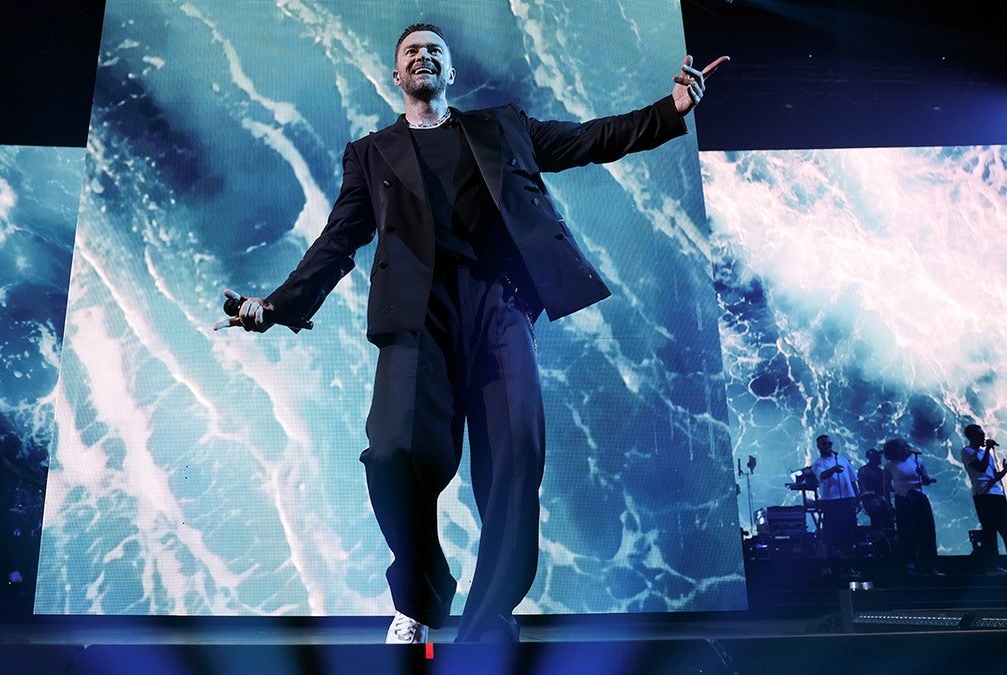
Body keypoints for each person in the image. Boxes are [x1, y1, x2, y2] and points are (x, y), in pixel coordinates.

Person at [214, 22, 728, 643]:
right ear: (398, 77)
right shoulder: (371, 153)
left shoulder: (502, 126)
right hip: (417, 316)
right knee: (392, 455)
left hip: (499, 307)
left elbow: (590, 140)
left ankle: (488, 622)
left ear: (449, 74)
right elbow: (337, 242)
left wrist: (669, 110)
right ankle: (421, 599)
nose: (424, 57)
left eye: (435, 51)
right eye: (412, 53)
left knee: (515, 459)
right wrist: (273, 307)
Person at [882, 438, 942, 576]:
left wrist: (927, 478)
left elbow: (925, 481)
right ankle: (910, 564)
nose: (905, 449)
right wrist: (888, 505)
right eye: (901, 447)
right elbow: (886, 486)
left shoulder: (917, 461)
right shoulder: (890, 466)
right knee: (907, 532)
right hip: (903, 499)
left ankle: (930, 565)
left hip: (919, 497)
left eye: (905, 446)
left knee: (927, 530)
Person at [961, 424, 1007, 572]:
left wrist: (1005, 470)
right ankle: (993, 565)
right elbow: (980, 467)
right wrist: (987, 450)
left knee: (1005, 528)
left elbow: (994, 477)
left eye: (983, 434)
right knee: (990, 530)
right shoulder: (967, 451)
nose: (983, 437)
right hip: (983, 495)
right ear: (972, 437)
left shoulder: (986, 454)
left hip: (997, 493)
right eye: (979, 435)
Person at [810, 434, 859, 563]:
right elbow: (823, 475)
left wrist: (857, 498)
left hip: (848, 499)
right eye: (824, 444)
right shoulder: (817, 464)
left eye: (829, 444)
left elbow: (853, 481)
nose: (827, 446)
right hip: (831, 501)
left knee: (849, 530)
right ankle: (834, 561)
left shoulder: (843, 460)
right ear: (818, 446)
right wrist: (833, 470)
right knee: (833, 532)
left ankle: (849, 559)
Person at [857, 447, 893, 532]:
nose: (879, 458)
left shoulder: (880, 471)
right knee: (878, 523)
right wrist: (868, 494)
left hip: (881, 500)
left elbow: (889, 487)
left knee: (888, 521)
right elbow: (863, 489)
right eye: (876, 457)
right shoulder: (863, 471)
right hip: (872, 502)